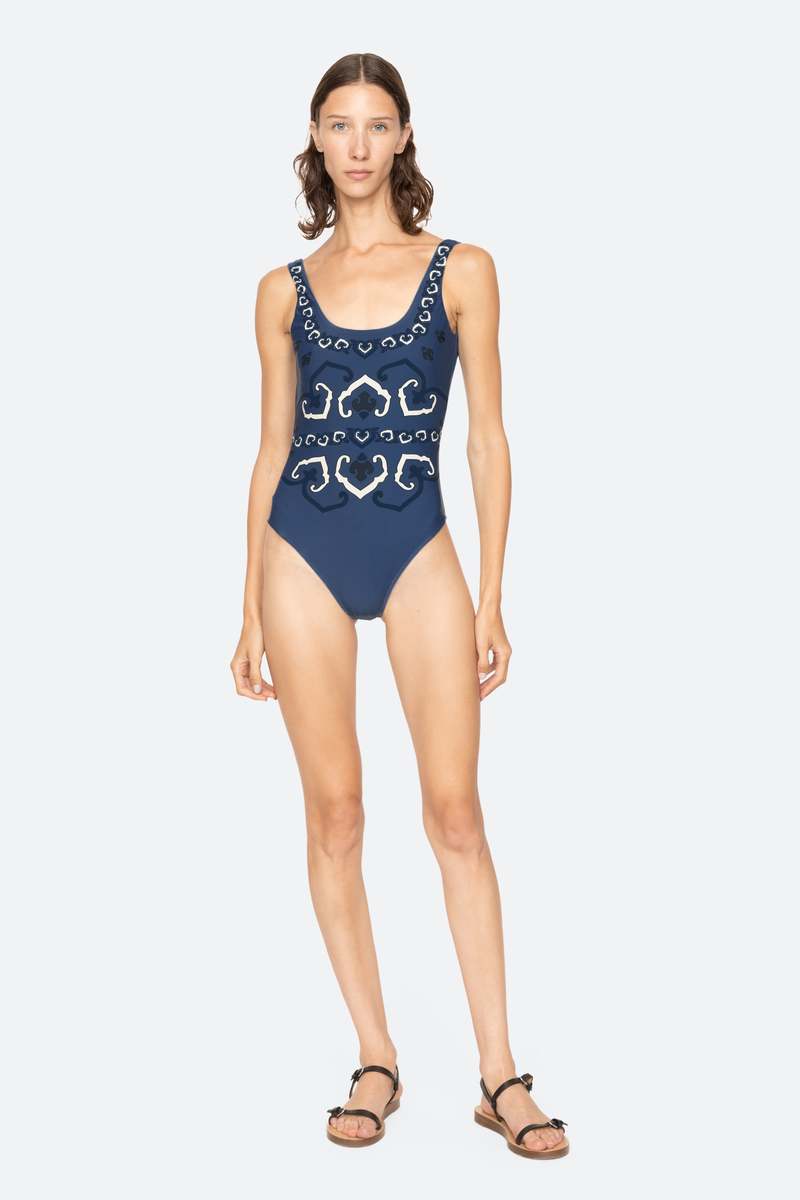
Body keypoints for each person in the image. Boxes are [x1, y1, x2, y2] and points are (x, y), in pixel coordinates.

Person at [230, 52, 569, 1160]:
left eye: (378, 124)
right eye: (340, 124)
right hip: (301, 549)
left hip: (419, 545)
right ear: (316, 139)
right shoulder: (281, 290)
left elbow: (487, 438)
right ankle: (375, 1057)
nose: (360, 144)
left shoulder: (461, 270)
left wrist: (493, 592)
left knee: (455, 813)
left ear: (404, 136)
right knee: (335, 814)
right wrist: (246, 606)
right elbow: (271, 449)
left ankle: (500, 1073)